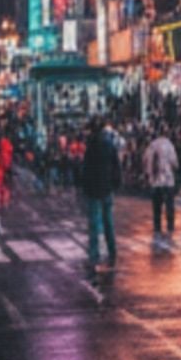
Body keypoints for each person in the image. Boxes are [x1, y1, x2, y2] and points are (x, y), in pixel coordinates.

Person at [81, 116, 122, 272]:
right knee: (108, 222)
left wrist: (85, 187)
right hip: (107, 188)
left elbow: (86, 169)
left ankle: (94, 256)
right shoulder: (109, 144)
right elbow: (116, 166)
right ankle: (112, 251)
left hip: (94, 190)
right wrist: (115, 184)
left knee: (94, 224)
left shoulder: (91, 145)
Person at [145, 127, 179, 237]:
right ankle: (170, 225)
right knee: (169, 204)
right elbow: (175, 163)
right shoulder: (169, 145)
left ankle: (157, 226)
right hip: (168, 180)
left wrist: (149, 175)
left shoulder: (152, 145)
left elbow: (146, 160)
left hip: (155, 181)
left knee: (157, 206)